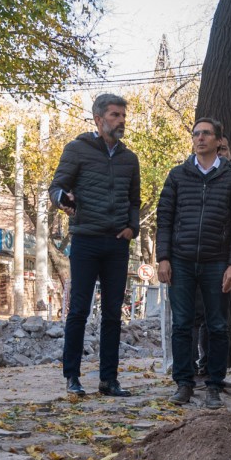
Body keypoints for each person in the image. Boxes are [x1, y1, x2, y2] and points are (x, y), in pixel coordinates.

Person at [49, 93, 140, 397]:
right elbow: (57, 186)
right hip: (86, 239)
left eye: (123, 116)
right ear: (99, 120)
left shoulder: (130, 159)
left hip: (116, 244)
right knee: (79, 311)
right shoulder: (77, 149)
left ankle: (108, 380)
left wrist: (132, 228)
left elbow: (134, 200)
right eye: (115, 115)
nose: (121, 121)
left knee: (113, 313)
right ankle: (72, 376)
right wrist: (64, 200)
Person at [155, 118, 231, 408]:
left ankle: (213, 384)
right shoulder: (178, 176)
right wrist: (163, 258)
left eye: (206, 134)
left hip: (217, 263)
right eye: (196, 134)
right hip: (181, 262)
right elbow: (164, 220)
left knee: (218, 326)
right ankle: (183, 384)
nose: (200, 138)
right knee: (182, 324)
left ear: (218, 140)